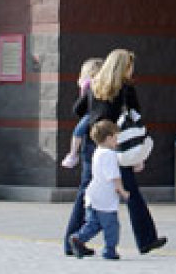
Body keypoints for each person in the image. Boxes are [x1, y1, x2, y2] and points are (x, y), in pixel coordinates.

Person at [76, 48, 167, 256]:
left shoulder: (95, 85)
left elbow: (78, 110)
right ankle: (146, 240)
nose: (133, 70)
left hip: (96, 144)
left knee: (89, 190)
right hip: (116, 145)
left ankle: (74, 239)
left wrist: (96, 116)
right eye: (131, 65)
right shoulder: (126, 88)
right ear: (124, 67)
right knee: (131, 192)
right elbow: (136, 115)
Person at [69, 120, 129, 260]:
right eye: (115, 137)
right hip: (104, 198)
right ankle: (109, 250)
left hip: (92, 194)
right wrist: (122, 191)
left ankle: (78, 239)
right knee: (111, 226)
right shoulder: (109, 154)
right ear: (108, 138)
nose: (117, 141)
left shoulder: (98, 151)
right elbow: (114, 176)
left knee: (94, 223)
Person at [63, 57, 104, 256]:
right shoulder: (93, 86)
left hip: (92, 141)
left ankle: (76, 238)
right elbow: (80, 110)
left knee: (87, 192)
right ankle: (74, 239)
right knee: (86, 191)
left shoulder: (87, 84)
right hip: (91, 141)